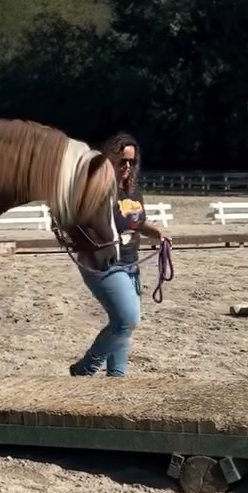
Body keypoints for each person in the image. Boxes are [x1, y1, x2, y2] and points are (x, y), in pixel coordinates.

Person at [70, 131, 171, 378]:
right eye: (122, 160)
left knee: (122, 323)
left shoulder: (132, 191)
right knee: (127, 320)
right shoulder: (95, 191)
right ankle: (86, 367)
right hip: (103, 263)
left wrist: (158, 234)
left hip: (130, 262)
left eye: (131, 161)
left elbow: (136, 223)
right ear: (109, 160)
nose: (127, 166)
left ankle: (117, 374)